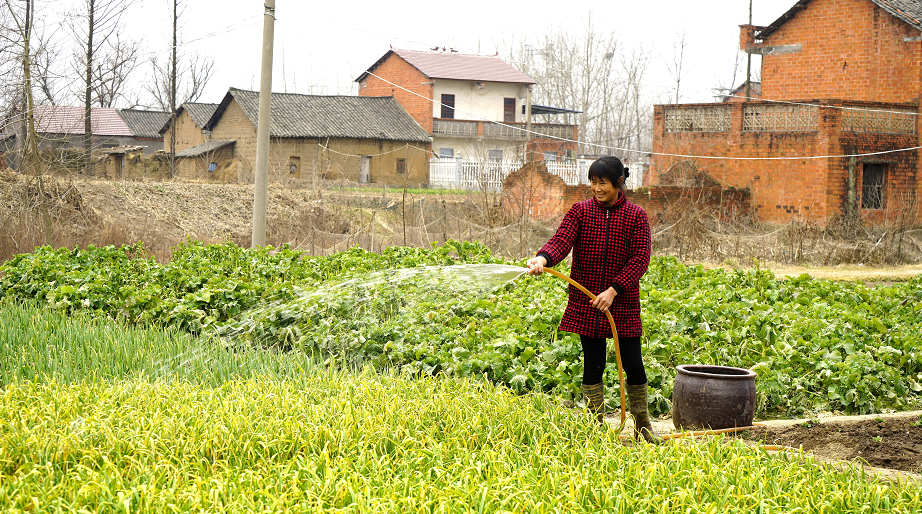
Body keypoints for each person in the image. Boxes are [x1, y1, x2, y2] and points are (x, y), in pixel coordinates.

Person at [526, 155, 658, 443]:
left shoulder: (635, 216)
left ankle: (643, 426)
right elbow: (561, 241)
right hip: (587, 300)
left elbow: (640, 260)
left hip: (621, 301)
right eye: (593, 183)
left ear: (619, 183)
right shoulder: (580, 212)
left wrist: (613, 291)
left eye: (603, 183)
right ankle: (594, 426)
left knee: (633, 363)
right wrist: (542, 258)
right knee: (593, 363)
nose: (597, 189)